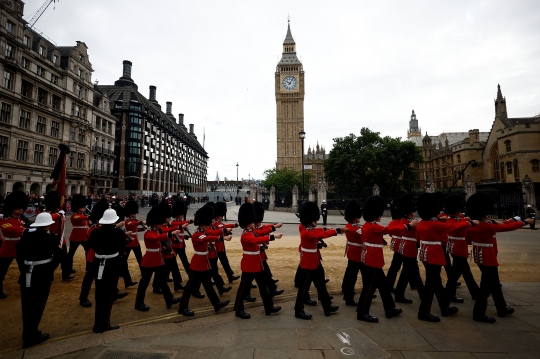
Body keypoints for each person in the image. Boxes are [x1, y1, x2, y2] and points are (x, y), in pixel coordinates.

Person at [466, 193, 533, 323]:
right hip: (488, 257)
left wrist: (510, 220)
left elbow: (468, 240)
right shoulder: (485, 225)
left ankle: (501, 307)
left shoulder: (473, 225)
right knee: (485, 287)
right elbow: (506, 227)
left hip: (479, 255)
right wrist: (524, 222)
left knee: (495, 284)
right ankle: (478, 313)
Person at [416, 193, 476, 322]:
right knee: (430, 287)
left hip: (426, 255)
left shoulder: (422, 223)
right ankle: (424, 312)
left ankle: (444, 306)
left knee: (436, 284)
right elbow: (452, 226)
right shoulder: (434, 224)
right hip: (434, 256)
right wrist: (469, 223)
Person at [16, 212, 61, 348]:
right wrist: (49, 269)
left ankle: (28, 333)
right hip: (43, 274)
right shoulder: (52, 238)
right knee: (38, 304)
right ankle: (32, 335)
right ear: (48, 225)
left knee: (27, 305)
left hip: (27, 273)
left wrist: (24, 269)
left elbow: (18, 254)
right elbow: (58, 256)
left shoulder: (26, 237)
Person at [356, 195, 404, 323]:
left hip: (373, 260)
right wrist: (408, 226)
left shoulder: (367, 225)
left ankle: (390, 308)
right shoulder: (373, 226)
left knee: (383, 286)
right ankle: (362, 312)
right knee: (369, 288)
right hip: (372, 261)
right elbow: (389, 229)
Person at [295, 201, 346, 320]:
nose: (316, 222)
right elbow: (320, 235)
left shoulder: (307, 227)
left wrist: (325, 228)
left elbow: (317, 231)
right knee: (303, 289)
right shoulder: (306, 231)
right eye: (314, 220)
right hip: (308, 263)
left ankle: (327, 306)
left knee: (321, 285)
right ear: (309, 219)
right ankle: (298, 310)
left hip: (315, 261)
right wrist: (337, 230)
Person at [178, 205, 231, 316]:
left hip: (204, 262)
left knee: (208, 285)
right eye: (207, 224)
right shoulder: (198, 234)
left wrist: (223, 231)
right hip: (198, 263)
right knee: (189, 287)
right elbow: (208, 238)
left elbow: (212, 233)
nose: (209, 226)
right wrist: (222, 238)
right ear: (202, 224)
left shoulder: (204, 231)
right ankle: (182, 307)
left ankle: (216, 304)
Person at [233, 202, 282, 319]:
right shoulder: (245, 234)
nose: (254, 224)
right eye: (252, 222)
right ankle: (239, 309)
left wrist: (263, 244)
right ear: (248, 223)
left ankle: (269, 307)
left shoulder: (251, 232)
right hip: (249, 265)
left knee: (263, 287)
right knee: (243, 289)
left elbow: (259, 237)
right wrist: (273, 237)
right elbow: (254, 241)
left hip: (256, 264)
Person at [134, 203, 182, 311]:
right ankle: (138, 303)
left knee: (162, 281)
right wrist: (170, 234)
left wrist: (175, 229)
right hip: (150, 260)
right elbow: (157, 237)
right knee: (144, 283)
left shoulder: (157, 229)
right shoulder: (149, 233)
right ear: (156, 222)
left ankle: (169, 299)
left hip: (158, 259)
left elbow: (164, 231)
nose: (162, 224)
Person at [88, 207, 126, 333]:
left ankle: (97, 324)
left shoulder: (95, 232)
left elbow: (92, 245)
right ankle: (105, 325)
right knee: (108, 296)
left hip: (98, 262)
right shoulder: (119, 233)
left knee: (99, 294)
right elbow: (122, 249)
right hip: (112, 264)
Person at [244, 202, 284, 301]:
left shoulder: (256, 226)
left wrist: (274, 225)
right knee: (250, 277)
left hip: (259, 255)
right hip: (254, 257)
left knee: (264, 273)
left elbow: (264, 228)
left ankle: (271, 289)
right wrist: (274, 230)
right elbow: (261, 234)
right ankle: (246, 294)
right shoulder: (251, 231)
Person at [443, 195, 479, 302]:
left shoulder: (457, 219)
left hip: (457, 249)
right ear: (456, 211)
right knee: (455, 275)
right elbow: (458, 226)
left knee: (465, 273)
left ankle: (475, 293)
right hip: (458, 250)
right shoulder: (452, 221)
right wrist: (470, 222)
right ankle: (449, 295)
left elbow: (464, 220)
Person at [389, 195, 423, 304]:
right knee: (406, 272)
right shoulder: (406, 222)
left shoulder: (406, 220)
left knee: (411, 272)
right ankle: (400, 294)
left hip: (408, 248)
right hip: (408, 249)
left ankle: (422, 293)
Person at [0, 191, 29, 299]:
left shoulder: (22, 220)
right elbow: (13, 230)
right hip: (8, 248)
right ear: (11, 208)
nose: (21, 210)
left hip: (20, 248)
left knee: (24, 269)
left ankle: (25, 285)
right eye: (18, 208)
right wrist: (26, 230)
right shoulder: (4, 220)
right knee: (2, 271)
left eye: (22, 207)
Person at [341, 200, 363, 306]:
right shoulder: (355, 228)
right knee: (352, 277)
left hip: (352, 252)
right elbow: (365, 235)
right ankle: (349, 298)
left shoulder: (349, 225)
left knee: (350, 274)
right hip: (357, 254)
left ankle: (346, 291)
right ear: (355, 217)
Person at [215, 201, 240, 283]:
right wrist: (226, 231)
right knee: (213, 265)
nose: (222, 217)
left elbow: (224, 226)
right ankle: (214, 278)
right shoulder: (215, 224)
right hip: (215, 246)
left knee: (225, 261)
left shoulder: (219, 222)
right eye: (221, 215)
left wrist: (236, 225)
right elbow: (221, 229)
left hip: (221, 245)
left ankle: (230, 276)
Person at [67, 194, 90, 274]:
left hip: (85, 236)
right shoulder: (74, 216)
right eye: (81, 206)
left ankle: (89, 267)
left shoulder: (84, 215)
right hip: (76, 237)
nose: (83, 207)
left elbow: (88, 224)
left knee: (88, 252)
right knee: (71, 253)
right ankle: (69, 268)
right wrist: (90, 217)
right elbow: (80, 218)